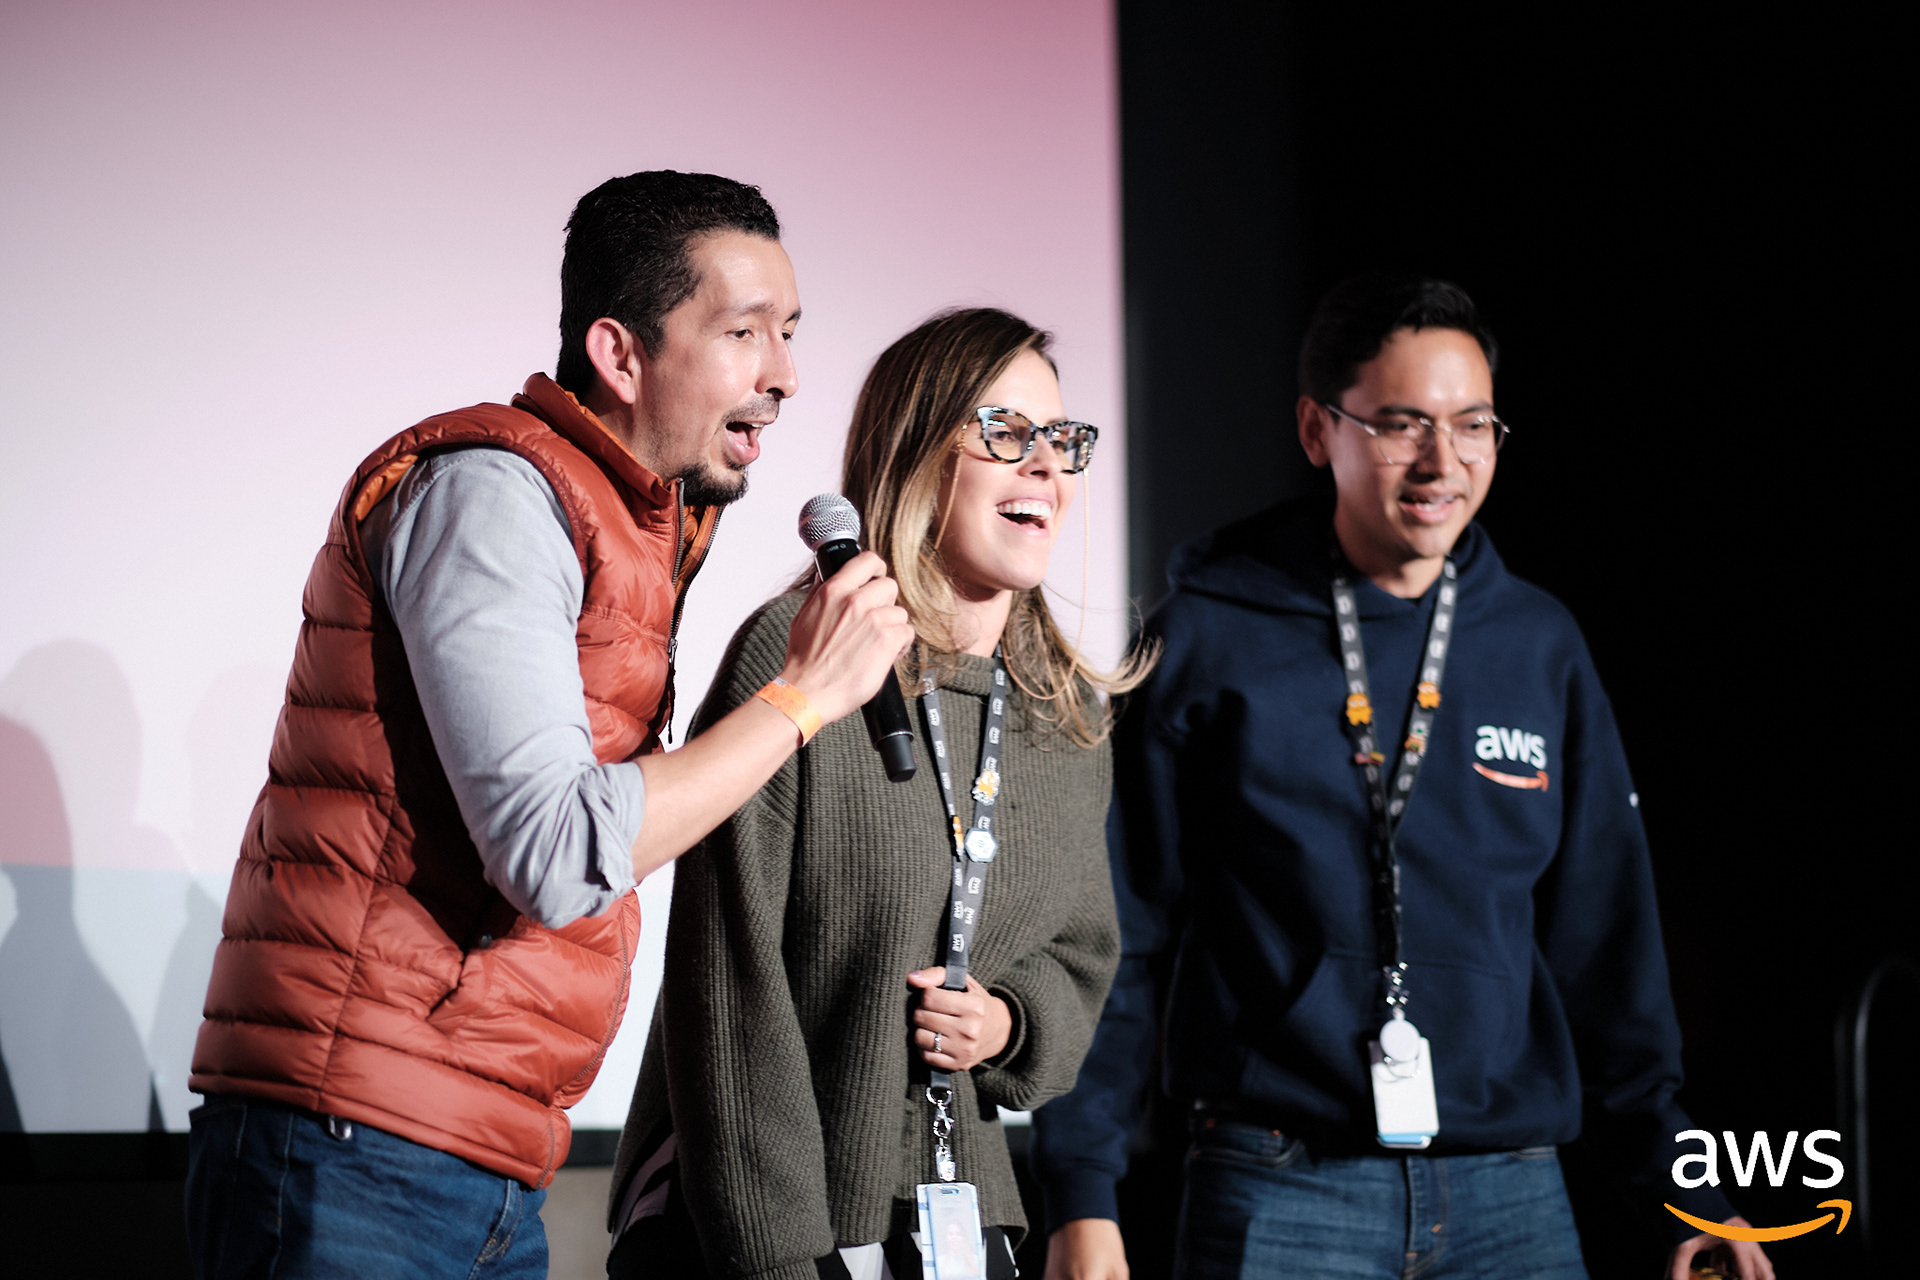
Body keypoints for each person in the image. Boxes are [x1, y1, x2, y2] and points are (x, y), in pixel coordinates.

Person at [183, 171, 914, 1279]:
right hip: (358, 1140)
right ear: (620, 354)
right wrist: (802, 696)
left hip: (476, 1148)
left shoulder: (627, 522)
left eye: (791, 333)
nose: (784, 374)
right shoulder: (495, 494)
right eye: (744, 332)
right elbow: (558, 850)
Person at [1031, 275, 1775, 1280]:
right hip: (1279, 1188)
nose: (1443, 461)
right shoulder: (1208, 635)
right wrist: (1082, 1189)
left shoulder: (1539, 645)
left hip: (1512, 1197)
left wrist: (1680, 1183)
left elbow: (1607, 946)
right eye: (1401, 424)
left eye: (1474, 425)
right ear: (1317, 429)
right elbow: (1118, 933)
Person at [606, 308, 1151, 1280]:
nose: (1045, 466)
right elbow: (729, 987)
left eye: (1062, 439)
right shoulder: (801, 655)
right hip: (773, 1225)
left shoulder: (1063, 716)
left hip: (958, 1212)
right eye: (1005, 432)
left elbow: (1080, 954)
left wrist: (1009, 1022)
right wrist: (775, 1255)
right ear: (916, 451)